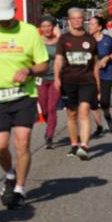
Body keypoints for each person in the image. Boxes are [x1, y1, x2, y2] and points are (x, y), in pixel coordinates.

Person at [0, 0, 50, 210]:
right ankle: (10, 173)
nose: (4, 21)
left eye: (7, 16)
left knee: (23, 142)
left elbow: (43, 64)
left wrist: (28, 69)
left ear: (15, 12)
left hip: (23, 95)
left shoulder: (29, 32)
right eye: (0, 17)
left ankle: (19, 188)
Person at [55, 8, 100, 159]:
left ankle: (85, 146)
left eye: (80, 18)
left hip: (87, 81)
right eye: (74, 18)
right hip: (69, 81)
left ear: (83, 19)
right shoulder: (63, 39)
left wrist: (98, 84)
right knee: (72, 114)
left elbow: (95, 64)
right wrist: (56, 77)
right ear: (69, 20)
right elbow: (59, 60)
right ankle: (74, 144)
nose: (77, 21)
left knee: (84, 112)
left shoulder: (90, 39)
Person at [89, 15, 112, 136]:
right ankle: (99, 126)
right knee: (93, 102)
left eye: (92, 24)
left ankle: (108, 116)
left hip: (106, 73)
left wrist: (107, 58)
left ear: (99, 27)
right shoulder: (87, 41)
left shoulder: (108, 39)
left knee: (105, 101)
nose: (89, 26)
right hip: (90, 74)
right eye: (89, 23)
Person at [37, 15, 61, 148]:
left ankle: (49, 136)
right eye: (44, 26)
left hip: (55, 79)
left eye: (49, 26)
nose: (46, 28)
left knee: (52, 108)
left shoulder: (59, 41)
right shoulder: (36, 41)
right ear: (40, 28)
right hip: (40, 79)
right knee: (45, 110)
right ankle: (49, 126)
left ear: (53, 27)